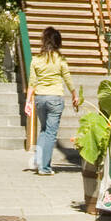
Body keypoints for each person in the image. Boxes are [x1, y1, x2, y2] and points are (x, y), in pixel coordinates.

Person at [25, 27, 79, 175]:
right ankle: (45, 167)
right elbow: (67, 78)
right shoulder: (60, 59)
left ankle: (39, 161)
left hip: (40, 98)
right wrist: (74, 94)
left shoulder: (36, 59)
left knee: (43, 131)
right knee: (50, 133)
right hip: (55, 98)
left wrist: (28, 101)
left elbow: (32, 82)